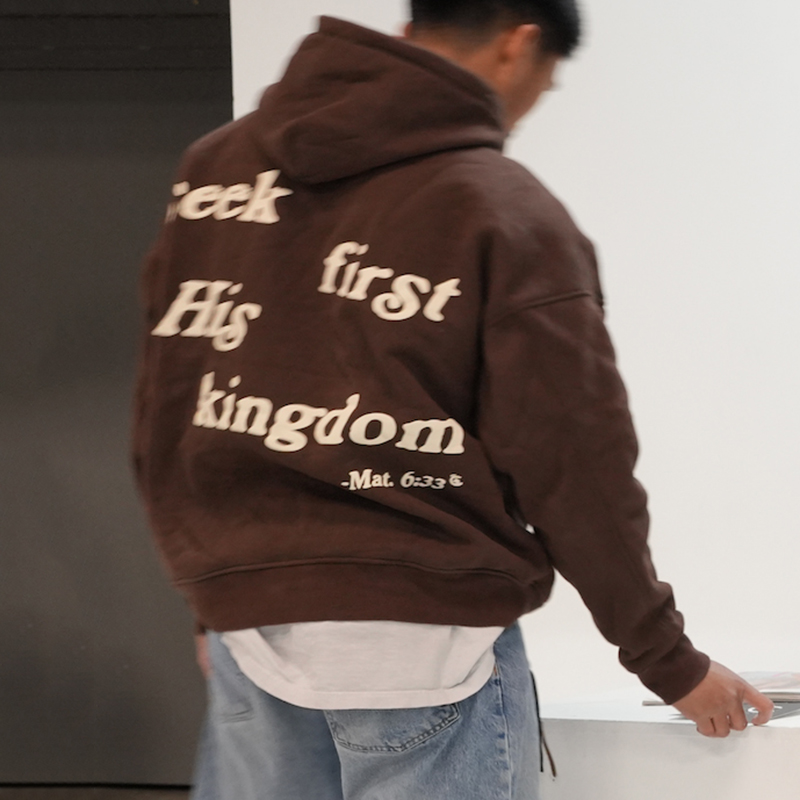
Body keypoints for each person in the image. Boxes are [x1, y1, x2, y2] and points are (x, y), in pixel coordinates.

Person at [133, 1, 774, 798]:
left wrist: (215, 593)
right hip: (427, 639)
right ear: (519, 45)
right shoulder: (498, 207)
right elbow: (575, 463)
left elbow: (170, 400)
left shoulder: (217, 172)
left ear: (409, 34)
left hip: (251, 632)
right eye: (548, 81)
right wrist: (667, 661)